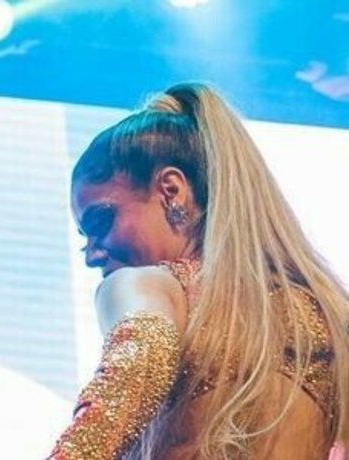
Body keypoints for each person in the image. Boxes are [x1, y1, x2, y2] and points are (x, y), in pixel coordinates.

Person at [48, 83, 349, 459]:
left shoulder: (153, 286)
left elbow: (143, 355)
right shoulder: (328, 317)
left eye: (100, 221)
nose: (91, 255)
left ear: (171, 191)